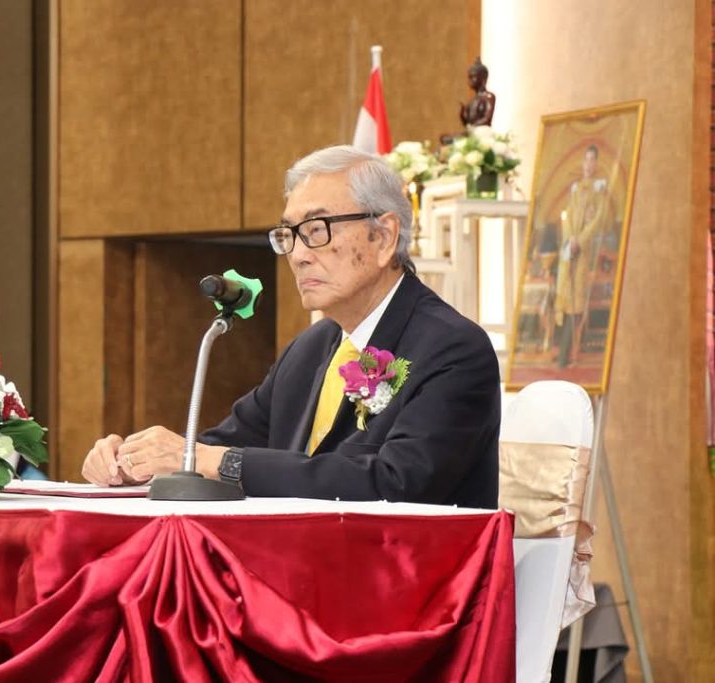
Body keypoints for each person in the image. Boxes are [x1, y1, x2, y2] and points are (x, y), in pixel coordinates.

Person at [81, 145, 500, 507]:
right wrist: (136, 460)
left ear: (384, 237)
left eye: (316, 230)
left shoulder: (452, 349)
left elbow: (396, 482)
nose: (297, 255)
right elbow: (220, 445)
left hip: (403, 571)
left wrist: (215, 461)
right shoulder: (309, 349)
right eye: (289, 235)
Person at [554, 145, 610, 368]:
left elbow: (597, 219)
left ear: (596, 164)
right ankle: (561, 350)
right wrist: (570, 238)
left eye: (592, 160)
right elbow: (566, 216)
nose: (588, 164)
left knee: (576, 300)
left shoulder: (598, 190)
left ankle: (568, 352)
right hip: (569, 248)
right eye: (585, 160)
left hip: (583, 251)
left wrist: (581, 240)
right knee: (564, 295)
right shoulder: (575, 189)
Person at [459, 57, 496, 128]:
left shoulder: (488, 97)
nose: (470, 81)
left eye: (472, 77)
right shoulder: (472, 100)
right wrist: (463, 114)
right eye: (469, 78)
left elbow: (487, 119)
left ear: (482, 78)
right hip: (472, 129)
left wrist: (473, 126)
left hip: (481, 130)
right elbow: (467, 122)